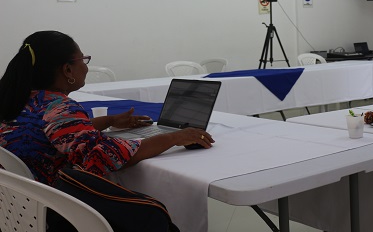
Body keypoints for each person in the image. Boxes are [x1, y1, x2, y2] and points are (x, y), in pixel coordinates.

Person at [0, 31, 214, 185]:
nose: (85, 66)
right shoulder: (59, 108)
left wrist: (109, 121)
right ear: (67, 69)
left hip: (19, 212)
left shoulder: (20, 101)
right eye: (83, 59)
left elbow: (52, 132)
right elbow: (103, 157)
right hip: (59, 214)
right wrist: (175, 138)